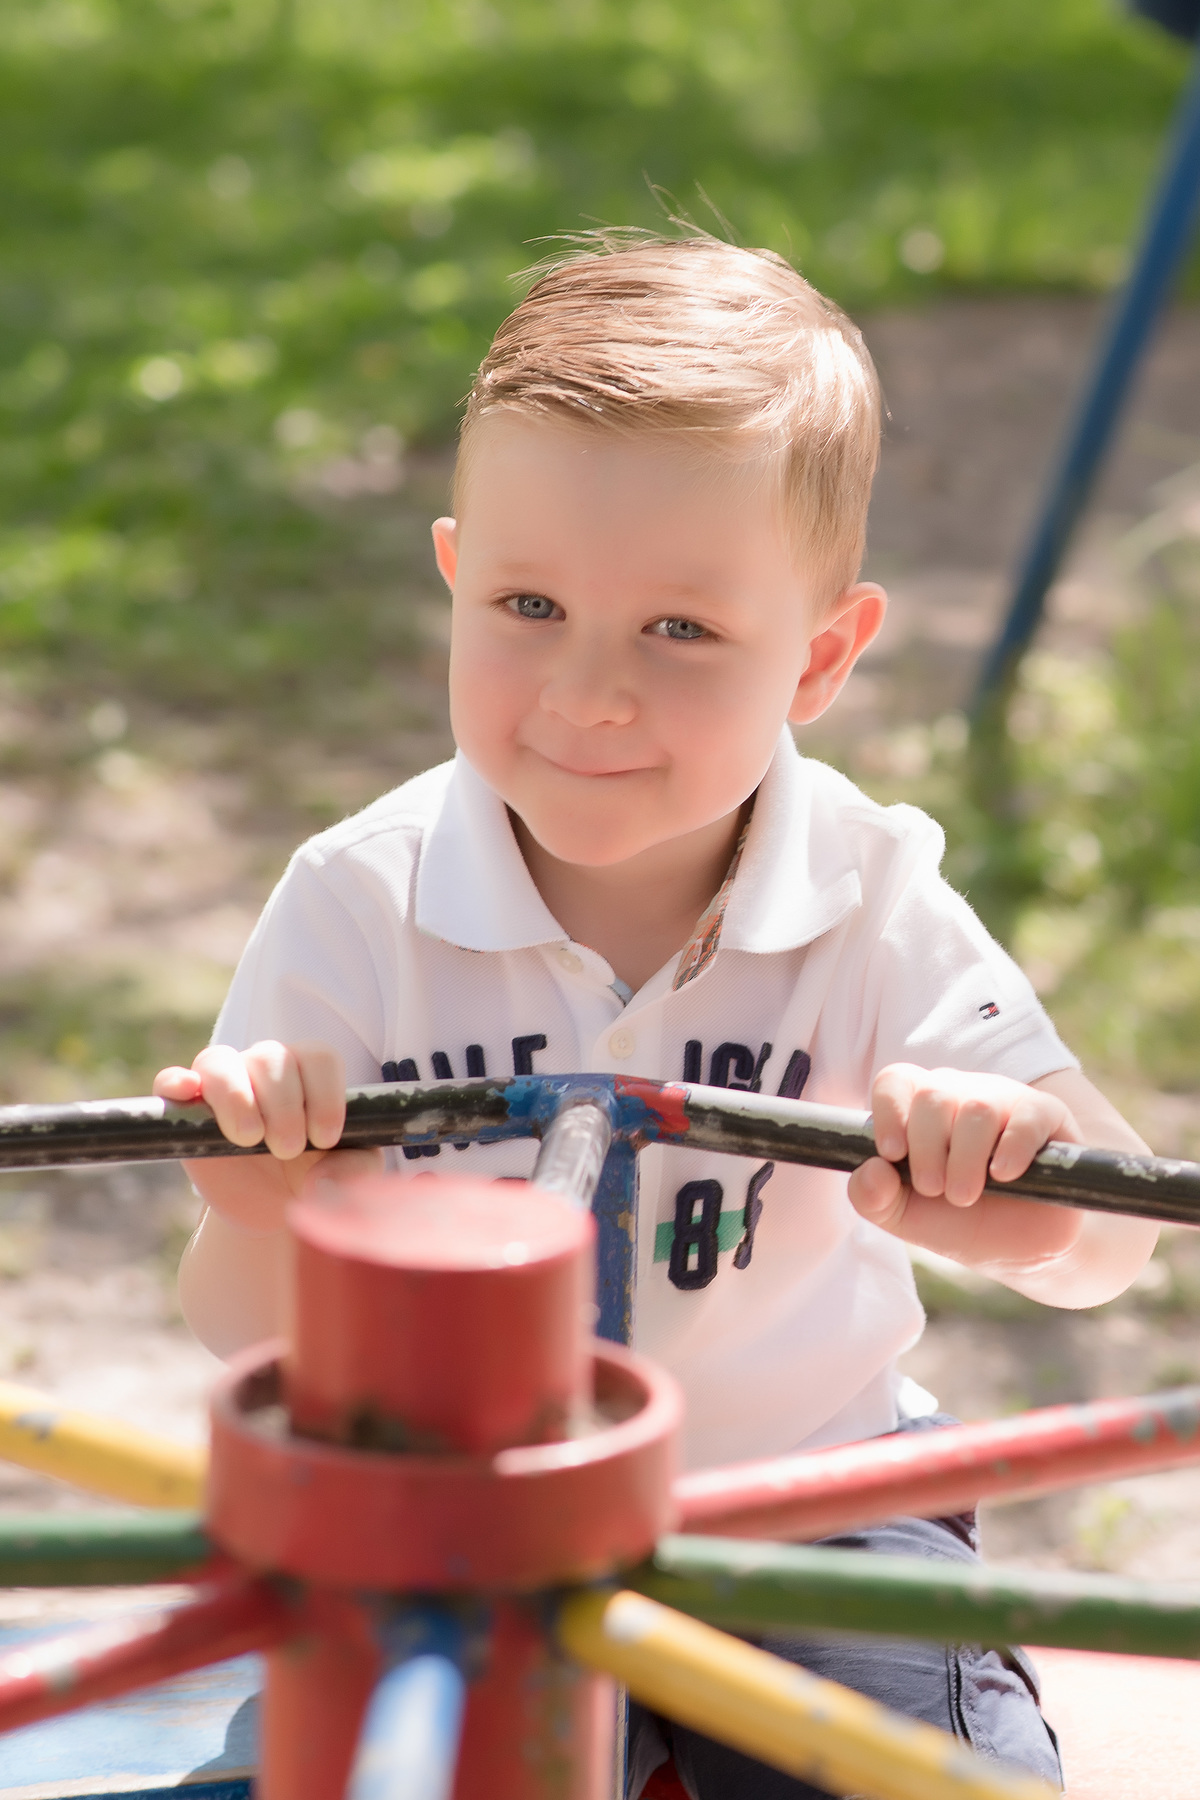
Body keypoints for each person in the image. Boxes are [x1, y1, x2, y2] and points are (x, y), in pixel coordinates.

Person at [155, 234, 1156, 1796]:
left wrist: (1020, 1197)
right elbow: (237, 1328)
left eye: (679, 630)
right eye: (530, 603)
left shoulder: (872, 892)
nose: (591, 691)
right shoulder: (358, 900)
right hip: (465, 1522)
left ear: (820, 658)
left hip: (811, 1503)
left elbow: (1118, 1237)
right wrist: (261, 1210)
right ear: (452, 580)